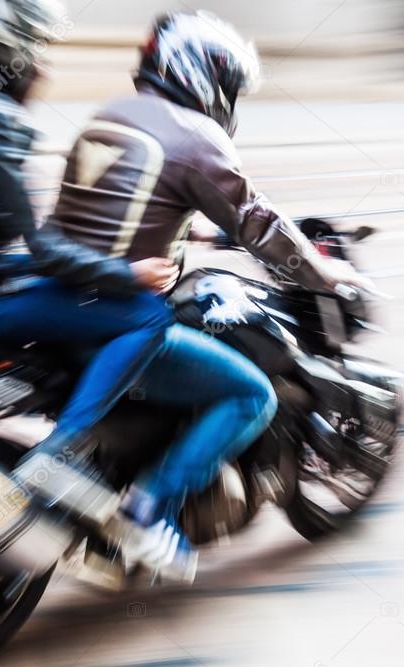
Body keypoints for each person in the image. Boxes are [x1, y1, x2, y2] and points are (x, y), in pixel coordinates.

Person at [22, 11, 373, 579]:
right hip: (118, 322)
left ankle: (107, 508)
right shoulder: (194, 135)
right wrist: (323, 273)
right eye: (229, 87)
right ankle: (150, 507)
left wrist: (196, 228)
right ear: (205, 77)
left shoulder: (112, 115)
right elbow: (257, 221)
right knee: (250, 395)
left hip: (59, 304)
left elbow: (122, 206)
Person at [0, 0, 179, 462]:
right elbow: (43, 250)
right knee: (146, 315)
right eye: (36, 45)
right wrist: (131, 275)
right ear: (9, 41)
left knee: (69, 284)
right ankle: (65, 447)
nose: (40, 60)